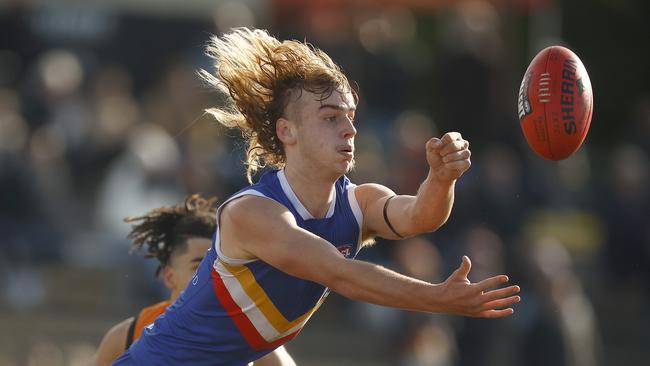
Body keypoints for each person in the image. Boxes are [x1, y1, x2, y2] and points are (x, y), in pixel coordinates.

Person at [114, 27, 521, 366]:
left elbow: (420, 217)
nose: (350, 130)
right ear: (286, 131)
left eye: (350, 117)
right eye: (330, 118)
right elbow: (339, 273)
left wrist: (441, 178)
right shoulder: (252, 212)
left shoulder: (359, 201)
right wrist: (438, 298)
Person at [91, 194, 295, 366]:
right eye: (198, 266)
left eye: (221, 267)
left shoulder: (250, 336)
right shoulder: (128, 335)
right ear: (169, 276)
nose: (212, 275)